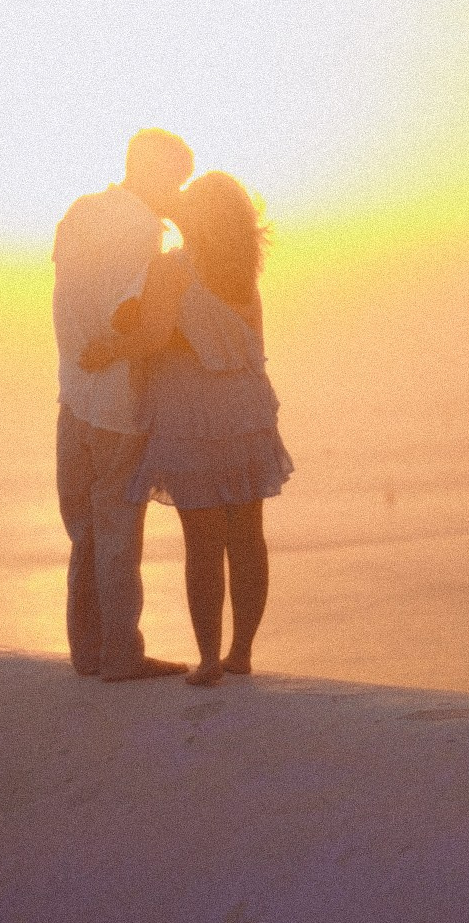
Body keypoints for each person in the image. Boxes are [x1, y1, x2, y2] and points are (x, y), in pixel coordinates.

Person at [82, 169, 292, 687]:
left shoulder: (171, 270)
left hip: (193, 415)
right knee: (248, 538)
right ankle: (240, 653)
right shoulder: (246, 279)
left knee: (203, 542)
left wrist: (111, 345)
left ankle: (207, 660)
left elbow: (154, 340)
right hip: (246, 413)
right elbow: (240, 345)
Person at [51, 129, 192, 682]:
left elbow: (71, 301)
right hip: (117, 403)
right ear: (153, 170)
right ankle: (121, 654)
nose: (175, 192)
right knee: (117, 532)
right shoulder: (142, 230)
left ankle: (87, 652)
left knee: (84, 532)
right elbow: (133, 315)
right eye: (174, 179)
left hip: (72, 397)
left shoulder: (81, 212)